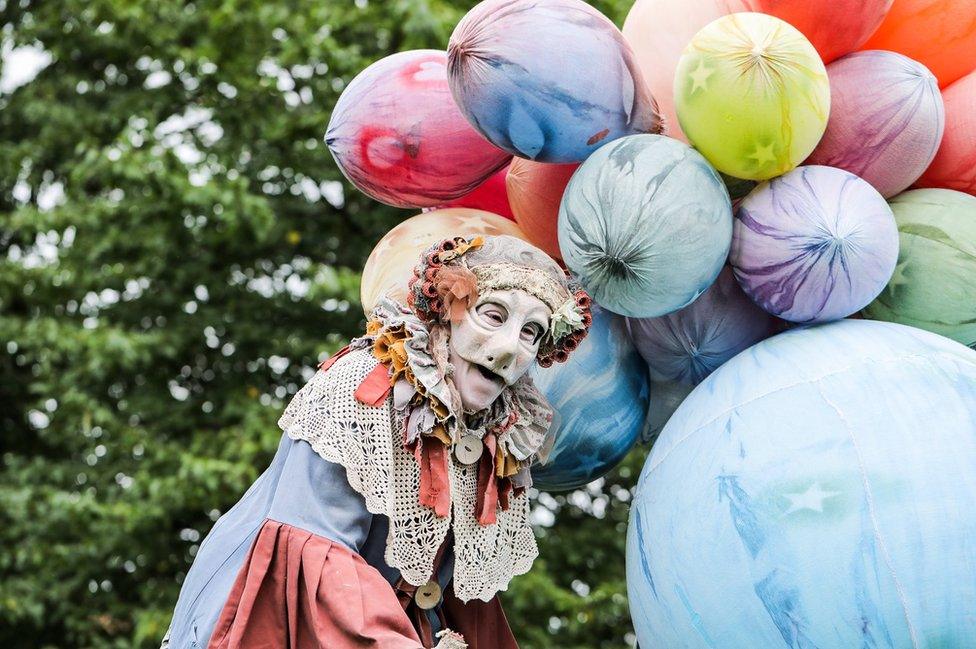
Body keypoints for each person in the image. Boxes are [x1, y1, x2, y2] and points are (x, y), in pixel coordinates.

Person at [162, 235, 592, 648]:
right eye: (494, 316)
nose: (508, 348)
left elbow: (454, 595)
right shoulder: (365, 383)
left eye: (530, 333)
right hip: (271, 623)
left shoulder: (497, 438)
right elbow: (315, 554)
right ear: (447, 311)